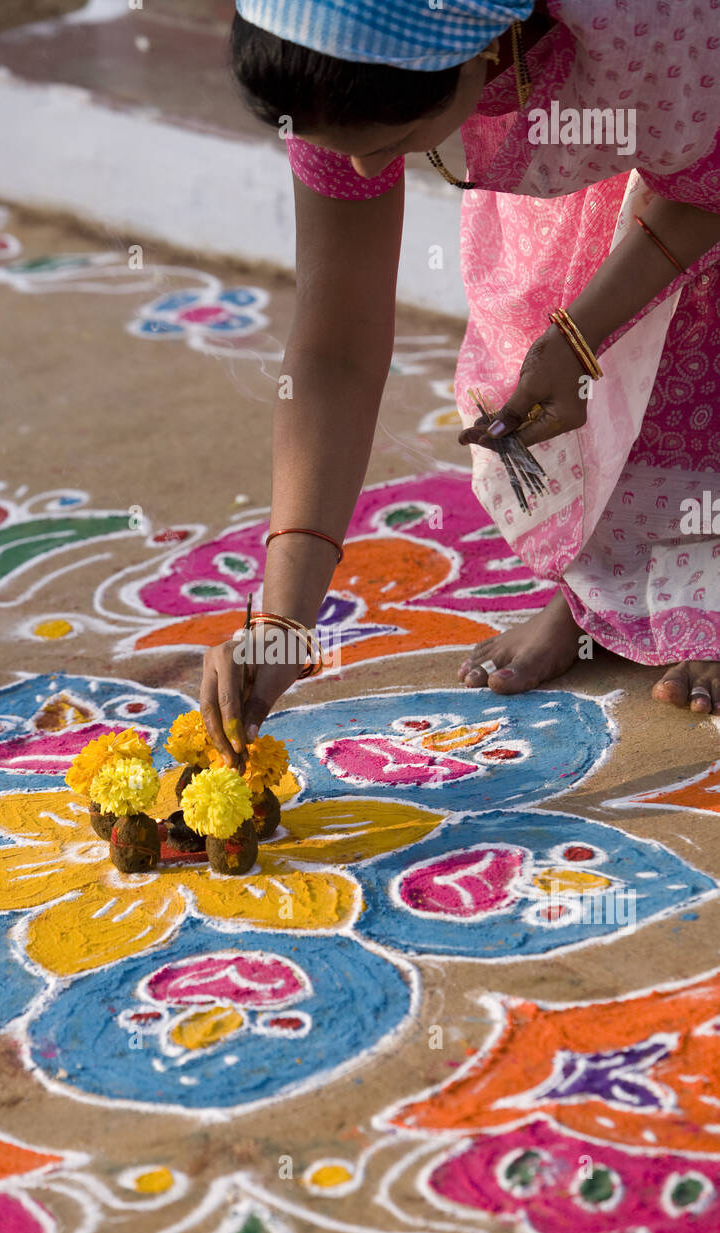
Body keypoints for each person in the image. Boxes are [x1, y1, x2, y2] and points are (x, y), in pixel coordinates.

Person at [200, 0, 720, 768]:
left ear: (477, 55)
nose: (369, 171)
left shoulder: (654, 22)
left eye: (393, 144)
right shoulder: (329, 48)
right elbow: (335, 342)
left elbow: (707, 184)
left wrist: (583, 332)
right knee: (545, 282)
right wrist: (283, 619)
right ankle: (606, 593)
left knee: (655, 311)